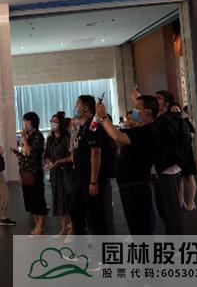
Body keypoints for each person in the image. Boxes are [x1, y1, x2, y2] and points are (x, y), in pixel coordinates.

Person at [96, 95, 160, 235]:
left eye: (137, 108)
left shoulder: (149, 130)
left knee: (142, 226)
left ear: (147, 111)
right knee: (134, 225)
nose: (134, 111)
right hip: (129, 184)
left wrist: (104, 117)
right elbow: (119, 138)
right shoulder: (139, 129)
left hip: (137, 185)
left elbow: (117, 136)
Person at [69, 95, 109, 235]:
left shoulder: (93, 127)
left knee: (95, 217)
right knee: (75, 212)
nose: (75, 107)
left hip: (90, 177)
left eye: (77, 104)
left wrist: (93, 181)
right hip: (79, 177)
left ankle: (101, 246)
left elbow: (95, 154)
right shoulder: (81, 128)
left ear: (85, 108)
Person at [153, 90, 186, 234]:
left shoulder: (167, 120)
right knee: (163, 209)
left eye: (159, 98)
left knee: (171, 210)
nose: (155, 100)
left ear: (166, 104)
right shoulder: (161, 120)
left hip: (168, 169)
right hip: (161, 169)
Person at [16, 112, 47, 235]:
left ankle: (40, 226)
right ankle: (37, 224)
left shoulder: (38, 135)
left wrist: (24, 138)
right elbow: (25, 152)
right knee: (30, 200)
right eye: (24, 121)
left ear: (33, 122)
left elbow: (30, 153)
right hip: (25, 171)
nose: (25, 124)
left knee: (38, 199)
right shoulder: (28, 135)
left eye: (27, 121)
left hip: (34, 172)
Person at [44, 114, 72, 236]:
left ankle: (72, 229)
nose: (53, 123)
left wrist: (60, 162)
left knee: (68, 200)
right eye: (52, 121)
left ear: (61, 123)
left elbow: (72, 156)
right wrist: (49, 162)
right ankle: (63, 228)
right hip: (54, 173)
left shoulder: (66, 137)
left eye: (55, 121)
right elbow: (46, 155)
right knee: (59, 200)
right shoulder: (50, 139)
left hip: (66, 172)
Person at [170, 103, 197, 211]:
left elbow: (192, 134)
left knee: (189, 177)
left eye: (177, 109)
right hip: (176, 155)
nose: (175, 112)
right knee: (179, 179)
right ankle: (181, 201)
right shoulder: (169, 123)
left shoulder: (185, 121)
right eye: (173, 110)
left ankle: (191, 201)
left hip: (187, 154)